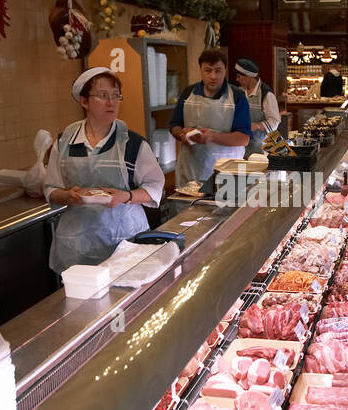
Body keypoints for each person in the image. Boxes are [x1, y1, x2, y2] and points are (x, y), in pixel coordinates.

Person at [44, 66, 164, 274]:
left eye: (116, 96)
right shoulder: (64, 141)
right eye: (102, 96)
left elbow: (155, 187)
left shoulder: (132, 143)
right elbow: (51, 188)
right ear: (84, 102)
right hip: (78, 245)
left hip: (125, 242)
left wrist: (125, 197)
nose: (111, 103)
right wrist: (69, 196)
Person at [169, 47, 251, 186]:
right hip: (190, 172)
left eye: (218, 71)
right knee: (189, 208)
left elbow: (244, 138)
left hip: (226, 174)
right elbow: (174, 125)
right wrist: (182, 134)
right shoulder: (188, 92)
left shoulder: (237, 96)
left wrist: (212, 137)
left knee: (225, 207)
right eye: (208, 70)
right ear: (200, 70)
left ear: (225, 70)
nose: (213, 76)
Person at [233, 57, 281, 156]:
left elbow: (275, 121)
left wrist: (257, 126)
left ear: (248, 76)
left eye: (239, 76)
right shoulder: (240, 92)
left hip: (264, 147)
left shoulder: (266, 94)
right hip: (245, 145)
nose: (237, 79)